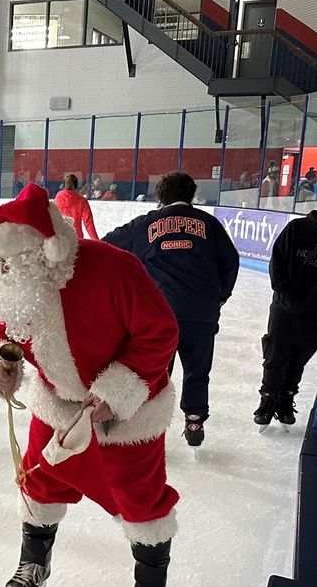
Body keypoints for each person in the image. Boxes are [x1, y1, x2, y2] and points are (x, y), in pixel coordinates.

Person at [0, 184, 180, 587]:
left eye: (9, 261)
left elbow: (160, 333)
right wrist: (0, 364)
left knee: (141, 503)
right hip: (56, 407)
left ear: (42, 252)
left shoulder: (113, 268)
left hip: (124, 413)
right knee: (39, 482)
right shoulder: (15, 283)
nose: (1, 270)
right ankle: (35, 560)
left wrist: (116, 392)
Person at [103, 172, 240, 447]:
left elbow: (107, 246)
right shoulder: (209, 224)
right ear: (191, 195)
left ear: (159, 197)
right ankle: (194, 419)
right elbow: (231, 262)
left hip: (159, 317)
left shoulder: (146, 224)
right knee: (197, 370)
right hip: (201, 314)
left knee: (154, 373)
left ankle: (147, 428)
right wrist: (219, 298)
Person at [254, 177, 317, 427]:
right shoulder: (297, 228)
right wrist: (283, 290)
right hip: (285, 305)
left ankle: (286, 398)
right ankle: (268, 399)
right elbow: (277, 261)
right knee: (276, 353)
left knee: (301, 354)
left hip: (315, 308)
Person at [54, 173, 98, 241]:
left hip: (59, 238)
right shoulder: (82, 201)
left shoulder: (57, 198)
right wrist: (96, 241)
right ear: (76, 185)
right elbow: (88, 223)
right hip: (76, 239)